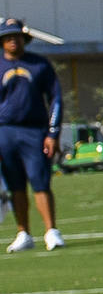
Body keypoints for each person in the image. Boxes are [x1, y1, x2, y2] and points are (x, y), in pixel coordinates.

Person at [0, 19, 66, 253]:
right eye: (8, 37)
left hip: (34, 131)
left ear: (24, 39)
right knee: (15, 185)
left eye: (16, 36)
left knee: (40, 182)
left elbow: (56, 98)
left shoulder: (39, 65)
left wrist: (53, 132)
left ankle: (51, 231)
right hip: (5, 132)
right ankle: (23, 233)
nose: (12, 40)